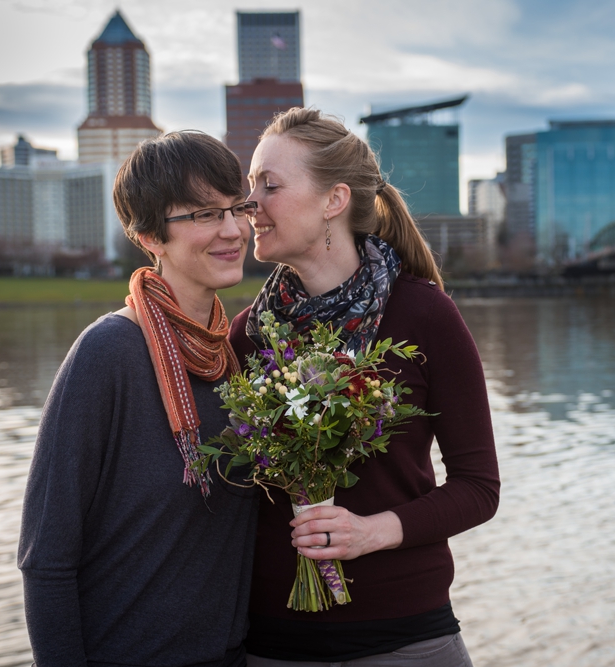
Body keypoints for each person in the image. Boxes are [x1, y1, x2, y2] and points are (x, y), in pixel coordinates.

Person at [229, 107, 500, 666]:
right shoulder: (249, 335)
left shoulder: (424, 314)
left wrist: (373, 532)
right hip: (274, 645)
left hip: (406, 641)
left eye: (269, 185)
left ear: (334, 201)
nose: (248, 203)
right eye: (249, 186)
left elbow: (479, 487)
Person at [18, 131, 259, 667]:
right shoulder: (108, 353)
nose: (231, 230)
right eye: (202, 215)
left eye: (235, 208)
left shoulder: (235, 355)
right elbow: (46, 559)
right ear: (150, 235)